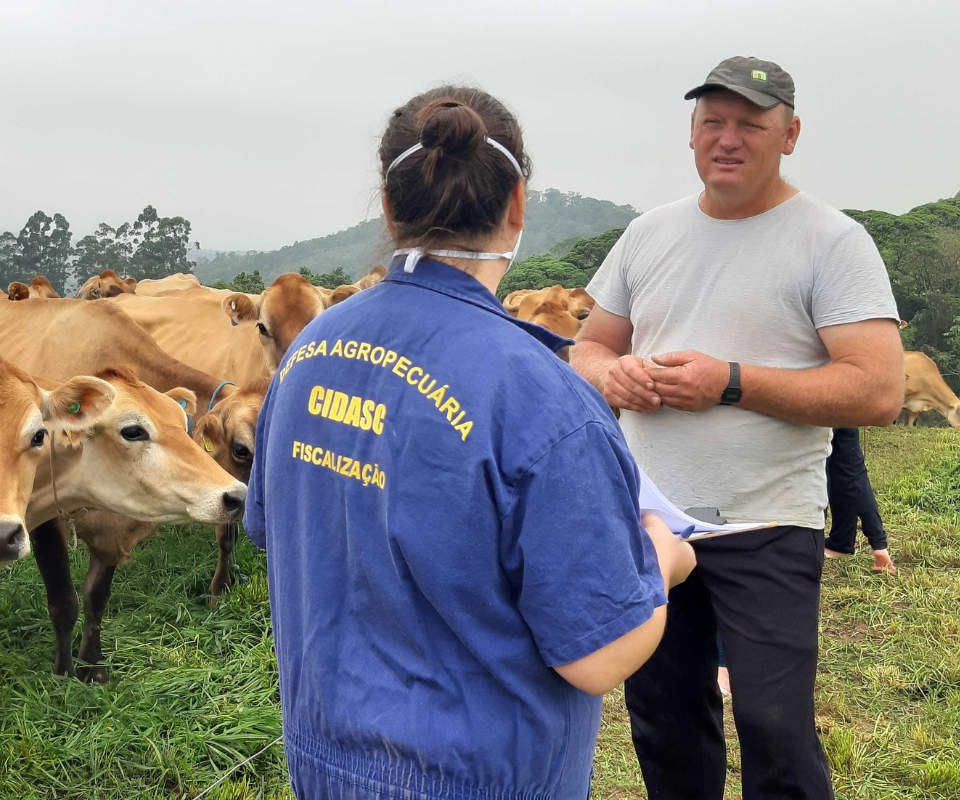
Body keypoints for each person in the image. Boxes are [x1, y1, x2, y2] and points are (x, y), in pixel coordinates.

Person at [243, 86, 696, 800]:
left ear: (390, 210)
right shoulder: (543, 395)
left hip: (324, 760)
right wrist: (663, 558)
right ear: (517, 205)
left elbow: (288, 530)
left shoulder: (308, 353)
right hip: (482, 774)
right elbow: (601, 656)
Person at [571, 56, 904, 800]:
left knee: (774, 725)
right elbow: (590, 346)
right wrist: (611, 375)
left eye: (750, 125)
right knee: (662, 716)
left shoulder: (833, 241)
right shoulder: (648, 235)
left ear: (789, 134)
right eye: (712, 122)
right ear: (691, 134)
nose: (728, 139)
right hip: (651, 519)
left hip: (767, 520)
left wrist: (729, 381)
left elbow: (879, 389)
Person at [825, 427, 896, 573]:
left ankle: (808, 546)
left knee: (817, 473)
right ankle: (875, 545)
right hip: (845, 408)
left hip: (812, 411)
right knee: (852, 474)